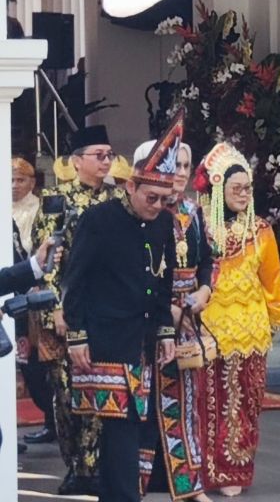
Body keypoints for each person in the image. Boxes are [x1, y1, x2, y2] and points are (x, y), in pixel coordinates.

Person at [62, 120, 182, 502]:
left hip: (144, 340)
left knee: (137, 425)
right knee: (119, 425)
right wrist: (77, 336)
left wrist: (165, 330)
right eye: (151, 198)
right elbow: (75, 280)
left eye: (164, 200)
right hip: (107, 339)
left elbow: (164, 282)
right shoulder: (98, 221)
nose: (158, 207)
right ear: (130, 186)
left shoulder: (164, 223)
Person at [34, 124, 122, 496]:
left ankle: (105, 466)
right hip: (71, 309)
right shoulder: (58, 199)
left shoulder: (120, 198)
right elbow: (48, 259)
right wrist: (53, 306)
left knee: (108, 388)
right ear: (76, 161)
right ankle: (78, 468)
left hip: (112, 310)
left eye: (109, 155)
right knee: (69, 393)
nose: (106, 162)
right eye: (98, 156)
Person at [197, 143, 280, 497]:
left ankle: (236, 470)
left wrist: (275, 318)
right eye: (236, 188)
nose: (243, 194)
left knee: (245, 402)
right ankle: (206, 469)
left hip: (250, 330)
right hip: (209, 329)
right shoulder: (201, 229)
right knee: (208, 401)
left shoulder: (261, 230)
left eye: (247, 188)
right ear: (219, 189)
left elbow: (273, 279)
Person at [133, 135, 214, 502]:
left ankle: (188, 486)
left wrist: (204, 291)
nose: (180, 173)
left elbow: (207, 260)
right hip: (150, 317)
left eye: (185, 166)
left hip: (187, 317)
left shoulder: (194, 211)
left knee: (184, 402)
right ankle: (136, 484)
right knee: (145, 402)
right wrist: (169, 308)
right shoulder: (148, 211)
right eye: (174, 165)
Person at [13, 157, 55, 447]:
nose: (15, 186)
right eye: (10, 180)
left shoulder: (40, 210)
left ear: (32, 182)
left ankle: (53, 420)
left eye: (21, 180)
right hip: (11, 290)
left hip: (34, 290)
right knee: (22, 359)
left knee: (42, 362)